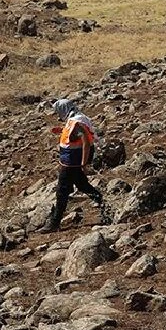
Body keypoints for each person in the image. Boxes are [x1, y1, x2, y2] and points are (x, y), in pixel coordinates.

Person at [47, 98, 111, 232]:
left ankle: (54, 223)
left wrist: (83, 163)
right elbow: (76, 134)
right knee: (83, 186)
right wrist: (62, 130)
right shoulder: (76, 118)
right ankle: (107, 208)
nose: (58, 114)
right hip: (70, 162)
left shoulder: (77, 122)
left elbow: (86, 141)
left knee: (62, 191)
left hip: (71, 163)